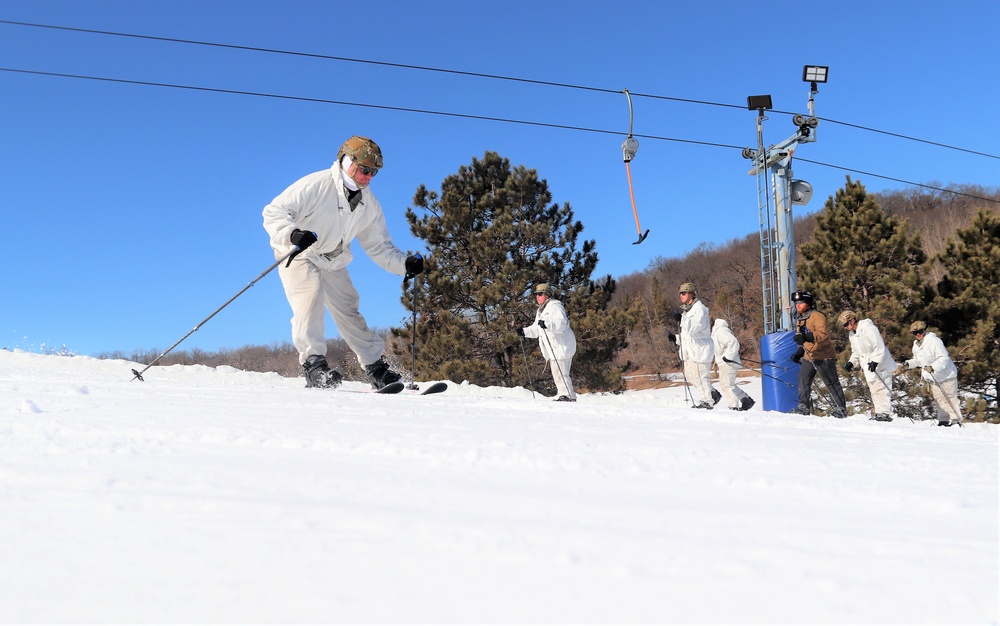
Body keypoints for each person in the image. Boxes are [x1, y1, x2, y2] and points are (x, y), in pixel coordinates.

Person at [262, 135, 424, 389]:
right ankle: (314, 365)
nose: (368, 177)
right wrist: (292, 233)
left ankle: (375, 368)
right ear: (346, 161)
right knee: (310, 298)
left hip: (333, 258)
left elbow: (379, 245)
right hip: (299, 253)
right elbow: (274, 211)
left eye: (373, 173)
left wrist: (404, 264)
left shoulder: (368, 203)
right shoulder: (317, 184)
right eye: (364, 170)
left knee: (349, 308)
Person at [790, 291, 848, 418]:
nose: (797, 305)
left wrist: (806, 336)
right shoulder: (800, 319)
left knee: (831, 382)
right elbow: (802, 339)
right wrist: (799, 352)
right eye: (795, 303)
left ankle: (840, 408)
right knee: (803, 379)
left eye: (800, 303)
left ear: (808, 304)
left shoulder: (817, 316)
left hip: (823, 355)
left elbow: (823, 334)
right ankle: (803, 406)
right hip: (809, 356)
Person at [518, 283, 577, 401]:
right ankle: (566, 395)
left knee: (561, 373)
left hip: (562, 345)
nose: (537, 296)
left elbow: (562, 323)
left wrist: (547, 324)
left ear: (547, 294)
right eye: (536, 294)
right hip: (554, 348)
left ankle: (567, 395)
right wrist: (524, 332)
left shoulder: (555, 306)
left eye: (540, 294)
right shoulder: (541, 310)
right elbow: (536, 329)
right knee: (557, 373)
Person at [668, 282, 721, 409]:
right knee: (690, 376)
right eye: (680, 293)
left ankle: (707, 401)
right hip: (690, 350)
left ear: (691, 294)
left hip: (700, 349)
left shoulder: (700, 310)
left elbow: (696, 328)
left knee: (701, 377)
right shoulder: (687, 311)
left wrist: (681, 319)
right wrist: (675, 338)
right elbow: (687, 335)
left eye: (684, 293)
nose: (681, 295)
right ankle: (712, 393)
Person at [838, 310, 897, 422]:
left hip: (881, 363)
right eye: (843, 326)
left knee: (882, 388)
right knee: (874, 389)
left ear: (853, 320)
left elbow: (880, 347)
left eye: (846, 324)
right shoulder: (852, 335)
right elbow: (857, 352)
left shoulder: (868, 329)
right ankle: (879, 413)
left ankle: (885, 413)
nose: (845, 327)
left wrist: (875, 361)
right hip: (868, 365)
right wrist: (851, 362)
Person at [904, 321, 962, 426]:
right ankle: (943, 420)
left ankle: (955, 420)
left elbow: (943, 358)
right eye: (915, 333)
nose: (918, 334)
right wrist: (908, 364)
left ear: (924, 330)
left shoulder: (934, 341)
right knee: (939, 400)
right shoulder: (916, 345)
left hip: (946, 375)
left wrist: (933, 367)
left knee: (950, 398)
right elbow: (918, 360)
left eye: (920, 331)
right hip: (933, 377)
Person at [711, 319, 755, 411]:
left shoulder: (721, 330)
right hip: (724, 362)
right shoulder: (716, 333)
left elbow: (733, 342)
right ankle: (746, 399)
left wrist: (728, 356)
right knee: (726, 384)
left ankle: (733, 406)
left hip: (728, 362)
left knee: (727, 384)